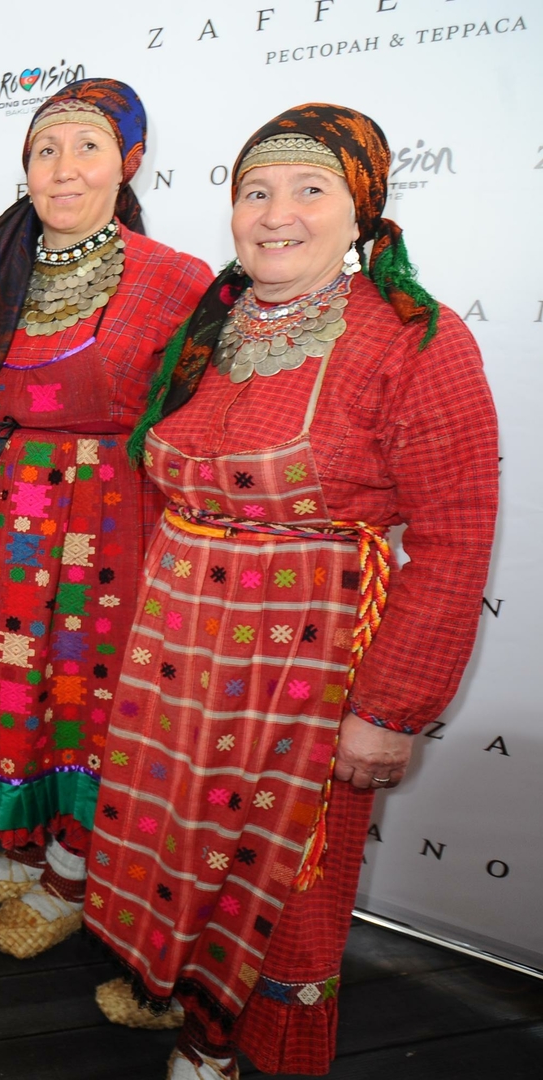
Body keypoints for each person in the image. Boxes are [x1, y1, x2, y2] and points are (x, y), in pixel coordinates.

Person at [84, 104, 499, 1079]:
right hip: (180, 648)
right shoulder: (210, 325)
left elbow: (454, 538)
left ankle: (230, 1051)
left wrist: (387, 710)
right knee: (178, 840)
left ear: (360, 212)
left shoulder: (413, 339)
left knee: (276, 867)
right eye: (255, 192)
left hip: (303, 660)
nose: (276, 215)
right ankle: (182, 1002)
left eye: (310, 191)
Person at [0, 79, 213, 960]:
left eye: (87, 147)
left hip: (114, 526)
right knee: (14, 683)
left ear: (128, 162)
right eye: (45, 150)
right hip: (8, 523)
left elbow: (200, 422)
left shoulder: (175, 278)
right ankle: (25, 847)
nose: (63, 168)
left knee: (91, 696)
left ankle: (72, 874)